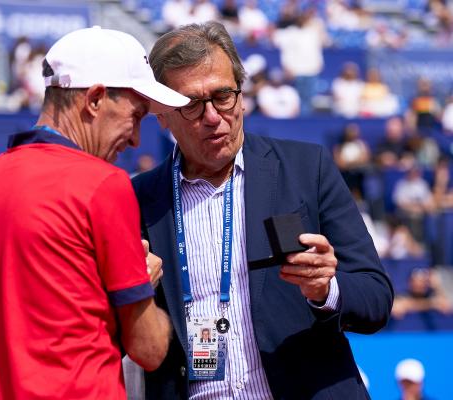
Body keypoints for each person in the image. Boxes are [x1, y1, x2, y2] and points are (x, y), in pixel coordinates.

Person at [132, 22, 393, 399]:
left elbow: (376, 297)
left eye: (223, 96)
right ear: (161, 112)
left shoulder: (307, 169)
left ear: (241, 95)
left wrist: (326, 289)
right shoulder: (138, 199)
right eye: (191, 104)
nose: (211, 116)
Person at [0, 26, 188, 399]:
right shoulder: (104, 184)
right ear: (94, 99)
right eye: (136, 115)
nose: (137, 139)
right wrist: (145, 283)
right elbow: (150, 349)